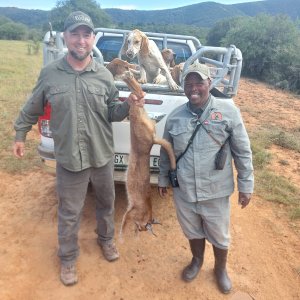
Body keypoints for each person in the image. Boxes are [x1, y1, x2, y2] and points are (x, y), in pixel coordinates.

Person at [13, 11, 145, 286]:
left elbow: (112, 111)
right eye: (75, 33)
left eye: (86, 34)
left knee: (106, 203)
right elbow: (32, 107)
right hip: (70, 157)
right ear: (66, 37)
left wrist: (129, 105)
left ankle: (106, 241)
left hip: (101, 155)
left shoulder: (103, 75)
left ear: (92, 38)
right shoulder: (50, 74)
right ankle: (69, 258)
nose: (81, 40)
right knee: (70, 211)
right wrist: (19, 134)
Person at [158, 62, 254, 294]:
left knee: (219, 234)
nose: (194, 89)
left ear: (209, 83)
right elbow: (165, 151)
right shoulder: (175, 117)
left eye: (199, 83)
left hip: (216, 189)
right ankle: (197, 261)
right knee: (192, 229)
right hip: (185, 189)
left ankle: (220, 269)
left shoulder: (229, 112)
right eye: (188, 84)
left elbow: (242, 150)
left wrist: (246, 184)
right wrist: (162, 178)